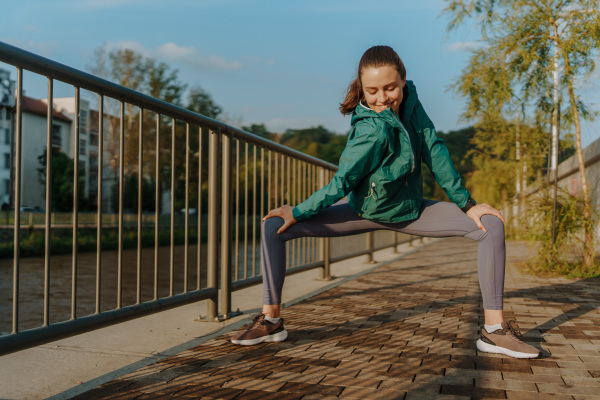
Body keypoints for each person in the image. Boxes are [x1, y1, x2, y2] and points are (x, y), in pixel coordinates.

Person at [231, 45, 540, 359]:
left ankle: (494, 330)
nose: (382, 98)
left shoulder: (412, 105)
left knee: (489, 224)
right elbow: (341, 183)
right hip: (363, 211)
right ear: (363, 89)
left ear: (403, 80)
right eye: (372, 91)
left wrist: (468, 203)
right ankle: (271, 321)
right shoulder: (369, 130)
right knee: (273, 226)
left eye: (390, 88)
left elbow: (434, 150)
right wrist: (297, 212)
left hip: (411, 211)